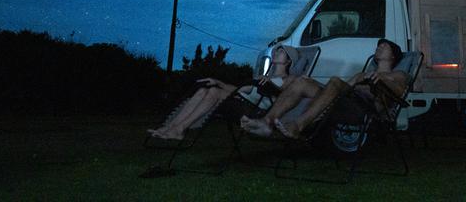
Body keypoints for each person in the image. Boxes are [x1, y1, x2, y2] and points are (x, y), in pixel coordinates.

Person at [240, 39, 407, 139]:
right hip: (345, 102)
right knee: (302, 82)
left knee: (334, 81)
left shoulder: (398, 74)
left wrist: (381, 81)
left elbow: (398, 91)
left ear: (393, 56)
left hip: (365, 108)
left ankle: (298, 126)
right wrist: (312, 83)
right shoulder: (362, 74)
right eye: (378, 46)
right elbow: (345, 88)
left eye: (384, 46)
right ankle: (267, 123)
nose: (378, 47)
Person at [148, 45, 297, 140]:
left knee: (213, 92)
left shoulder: (289, 79)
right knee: (204, 90)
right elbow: (239, 91)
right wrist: (218, 82)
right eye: (277, 50)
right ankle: (171, 127)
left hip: (256, 112)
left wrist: (270, 84)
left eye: (281, 51)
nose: (276, 52)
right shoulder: (261, 76)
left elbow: (286, 95)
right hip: (242, 101)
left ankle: (180, 130)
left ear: (289, 61)